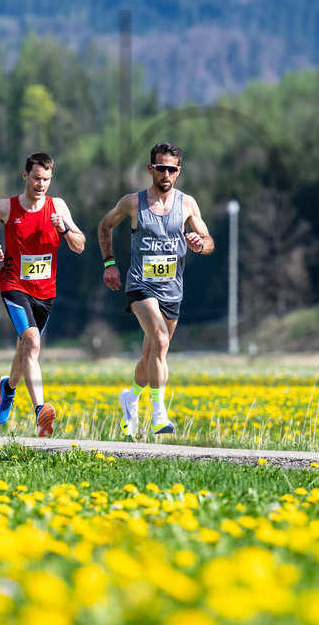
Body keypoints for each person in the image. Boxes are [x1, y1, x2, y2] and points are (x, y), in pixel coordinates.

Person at [98, 141, 214, 437]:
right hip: (140, 284)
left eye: (171, 169)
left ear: (178, 172)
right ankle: (159, 416)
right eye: (160, 168)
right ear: (151, 169)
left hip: (172, 290)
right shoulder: (133, 202)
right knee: (160, 341)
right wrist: (110, 263)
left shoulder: (187, 204)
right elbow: (104, 225)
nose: (165, 174)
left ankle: (130, 398)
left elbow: (208, 241)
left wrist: (200, 246)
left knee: (152, 352)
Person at [0, 153, 85, 436]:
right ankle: (40, 410)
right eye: (37, 178)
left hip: (45, 292)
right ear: (25, 175)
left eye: (47, 180)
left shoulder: (58, 207)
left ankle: (7, 389)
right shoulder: (6, 207)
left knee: (25, 349)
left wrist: (63, 229)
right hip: (14, 284)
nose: (41, 185)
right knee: (32, 340)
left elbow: (80, 245)